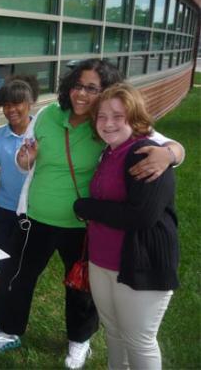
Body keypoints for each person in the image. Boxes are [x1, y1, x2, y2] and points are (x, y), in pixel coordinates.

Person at [0, 59, 185, 369]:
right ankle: (8, 329)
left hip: (83, 223)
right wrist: (26, 160)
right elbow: (29, 163)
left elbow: (162, 143)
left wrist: (169, 154)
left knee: (80, 285)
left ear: (106, 92)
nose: (81, 94)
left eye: (92, 88)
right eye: (78, 85)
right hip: (35, 216)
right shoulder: (48, 116)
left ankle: (79, 340)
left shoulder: (109, 120)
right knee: (16, 276)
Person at [73, 83, 179, 369]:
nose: (108, 123)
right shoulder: (109, 152)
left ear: (134, 118)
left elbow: (142, 216)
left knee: (138, 340)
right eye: (102, 116)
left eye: (118, 116)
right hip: (102, 262)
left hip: (139, 265)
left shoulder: (145, 154)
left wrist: (86, 208)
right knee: (114, 333)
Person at [0, 75, 40, 314]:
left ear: (30, 103)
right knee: (0, 257)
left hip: (36, 209)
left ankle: (18, 300)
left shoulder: (42, 132)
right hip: (5, 207)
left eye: (17, 103)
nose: (11, 109)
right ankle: (0, 297)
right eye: (6, 104)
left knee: (25, 263)